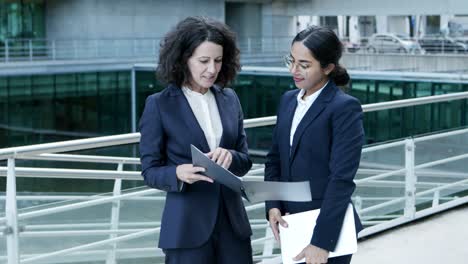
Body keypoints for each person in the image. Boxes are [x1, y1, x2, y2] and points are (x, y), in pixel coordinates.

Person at [139, 16, 253, 264]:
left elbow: (245, 160)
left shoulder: (230, 98)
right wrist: (177, 173)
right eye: (204, 61)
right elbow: (149, 170)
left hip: (233, 225)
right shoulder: (159, 105)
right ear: (183, 60)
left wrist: (231, 156)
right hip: (186, 228)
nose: (212, 69)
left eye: (218, 61)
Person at [264, 26, 365, 264]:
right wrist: (273, 205)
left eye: (304, 65)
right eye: (292, 60)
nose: (293, 70)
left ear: (328, 68)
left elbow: (341, 179)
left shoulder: (344, 108)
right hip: (291, 225)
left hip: (325, 231)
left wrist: (321, 242)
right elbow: (274, 159)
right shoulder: (288, 100)